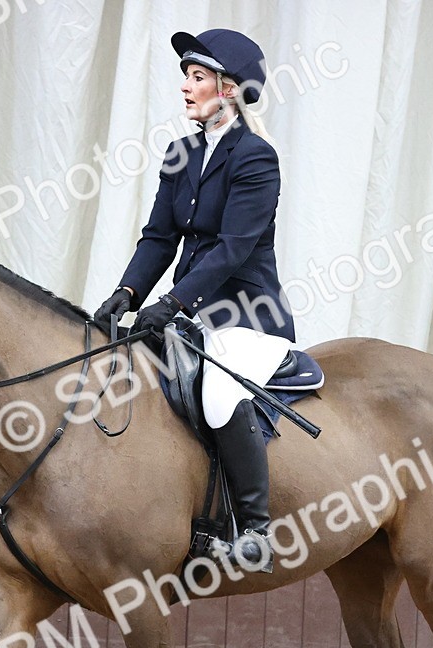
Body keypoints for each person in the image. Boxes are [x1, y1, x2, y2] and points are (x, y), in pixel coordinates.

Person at [93, 28, 294, 573]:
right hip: (193, 315)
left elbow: (231, 250)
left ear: (228, 89)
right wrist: (127, 292)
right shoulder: (181, 154)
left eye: (197, 77)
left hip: (247, 318)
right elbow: (160, 237)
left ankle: (255, 530)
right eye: (185, 76)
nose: (185, 87)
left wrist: (173, 302)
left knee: (220, 390)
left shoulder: (256, 158)